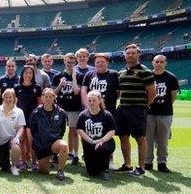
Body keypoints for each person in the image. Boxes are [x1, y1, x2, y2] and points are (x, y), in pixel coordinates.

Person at [115, 44, 156, 177]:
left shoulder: (145, 71)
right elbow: (120, 92)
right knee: (123, 137)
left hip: (137, 109)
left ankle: (141, 167)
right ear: (124, 55)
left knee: (140, 138)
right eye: (128, 53)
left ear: (138, 55)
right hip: (122, 108)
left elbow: (152, 93)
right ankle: (127, 165)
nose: (130, 55)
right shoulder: (120, 72)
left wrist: (144, 106)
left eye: (133, 53)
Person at [146, 54, 179, 173]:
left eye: (161, 62)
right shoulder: (147, 76)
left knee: (163, 140)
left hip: (165, 113)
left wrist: (165, 106)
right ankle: (147, 162)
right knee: (148, 140)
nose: (159, 64)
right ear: (152, 62)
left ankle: (162, 163)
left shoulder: (171, 77)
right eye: (156, 61)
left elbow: (173, 96)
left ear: (165, 63)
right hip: (149, 112)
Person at [28, 88, 69, 181]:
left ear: (54, 97)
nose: (48, 99)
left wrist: (56, 138)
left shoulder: (61, 112)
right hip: (41, 144)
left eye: (50, 97)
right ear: (42, 97)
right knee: (44, 172)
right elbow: (33, 130)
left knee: (64, 146)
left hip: (54, 142)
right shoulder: (35, 113)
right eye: (46, 96)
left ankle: (60, 170)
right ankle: (46, 161)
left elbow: (62, 130)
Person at [77, 90, 116, 180]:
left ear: (99, 101)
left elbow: (112, 131)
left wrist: (101, 140)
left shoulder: (107, 114)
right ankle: (98, 164)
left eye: (94, 100)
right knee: (92, 173)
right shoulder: (83, 115)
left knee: (101, 148)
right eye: (89, 100)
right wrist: (92, 141)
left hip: (105, 142)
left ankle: (106, 168)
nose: (91, 103)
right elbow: (79, 130)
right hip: (90, 143)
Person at [52, 53, 83, 165]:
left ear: (75, 63)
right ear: (64, 61)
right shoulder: (58, 76)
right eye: (67, 62)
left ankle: (74, 153)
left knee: (73, 131)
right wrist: (60, 85)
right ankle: (55, 153)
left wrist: (74, 77)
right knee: (57, 131)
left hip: (74, 107)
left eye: (72, 62)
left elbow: (76, 91)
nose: (69, 64)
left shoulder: (79, 76)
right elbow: (53, 93)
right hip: (60, 108)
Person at [15, 65, 42, 171]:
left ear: (33, 75)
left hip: (33, 119)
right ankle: (23, 161)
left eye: (30, 73)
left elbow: (40, 104)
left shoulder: (37, 87)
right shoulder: (17, 88)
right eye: (26, 73)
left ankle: (34, 161)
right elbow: (15, 104)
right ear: (22, 74)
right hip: (21, 118)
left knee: (32, 141)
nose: (28, 75)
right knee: (21, 141)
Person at [0, 89, 25, 176]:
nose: (8, 99)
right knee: (4, 168)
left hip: (12, 139)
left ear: (14, 98)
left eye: (10, 97)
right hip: (0, 141)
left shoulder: (19, 111)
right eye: (6, 97)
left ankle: (14, 166)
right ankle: (6, 163)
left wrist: (17, 137)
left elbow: (21, 128)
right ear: (3, 98)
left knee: (15, 147)